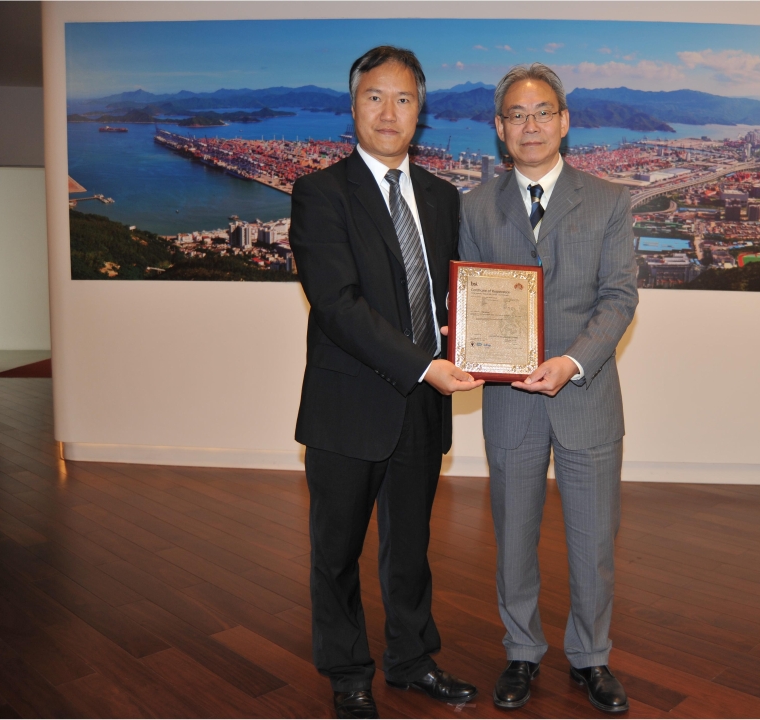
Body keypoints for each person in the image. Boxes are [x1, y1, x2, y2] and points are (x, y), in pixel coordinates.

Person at [289, 46, 483, 720]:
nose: (389, 111)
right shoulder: (319, 193)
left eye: (403, 99)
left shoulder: (440, 196)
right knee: (336, 551)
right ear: (352, 106)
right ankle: (346, 670)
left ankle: (410, 660)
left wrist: (480, 340)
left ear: (420, 111)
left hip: (421, 409)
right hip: (349, 404)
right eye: (375, 96)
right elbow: (337, 303)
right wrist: (425, 365)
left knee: (412, 550)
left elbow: (450, 300)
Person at [458, 63, 638, 714]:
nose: (529, 125)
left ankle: (591, 658)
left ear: (564, 122)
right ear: (499, 130)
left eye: (542, 112)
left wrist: (572, 361)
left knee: (593, 542)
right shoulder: (475, 207)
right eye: (515, 115)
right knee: (512, 537)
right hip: (509, 402)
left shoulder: (610, 200)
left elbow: (619, 300)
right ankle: (521, 651)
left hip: (586, 395)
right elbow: (472, 302)